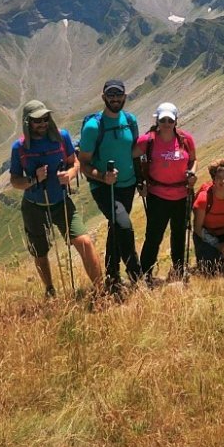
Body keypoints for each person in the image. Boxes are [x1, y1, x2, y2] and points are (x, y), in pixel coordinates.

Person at [8, 100, 104, 298]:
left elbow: (74, 162)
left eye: (45, 118)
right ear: (27, 122)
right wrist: (33, 179)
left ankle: (101, 290)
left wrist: (70, 175)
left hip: (61, 201)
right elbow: (15, 180)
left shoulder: (62, 137)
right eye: (37, 120)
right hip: (34, 206)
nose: (42, 123)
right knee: (40, 253)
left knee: (84, 241)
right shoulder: (19, 147)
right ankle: (50, 290)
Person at [79, 79, 140, 296]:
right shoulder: (93, 127)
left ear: (125, 96)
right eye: (111, 95)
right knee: (124, 226)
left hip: (127, 185)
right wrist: (102, 177)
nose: (115, 99)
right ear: (104, 97)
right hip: (104, 187)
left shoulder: (130, 121)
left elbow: (133, 152)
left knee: (116, 228)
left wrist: (140, 180)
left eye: (119, 95)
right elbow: (83, 163)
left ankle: (112, 279)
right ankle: (136, 275)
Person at [134, 102, 197, 283]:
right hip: (157, 196)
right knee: (153, 236)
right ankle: (145, 273)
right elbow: (133, 157)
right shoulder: (148, 140)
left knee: (179, 235)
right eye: (163, 120)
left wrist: (192, 174)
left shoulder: (186, 140)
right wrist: (140, 181)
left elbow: (193, 160)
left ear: (176, 120)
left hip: (182, 195)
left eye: (170, 120)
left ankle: (178, 271)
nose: (167, 123)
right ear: (158, 121)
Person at [192, 158, 224, 271]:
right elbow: (197, 228)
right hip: (206, 237)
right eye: (219, 178)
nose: (223, 181)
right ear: (213, 180)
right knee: (210, 268)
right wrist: (217, 245)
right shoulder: (204, 199)